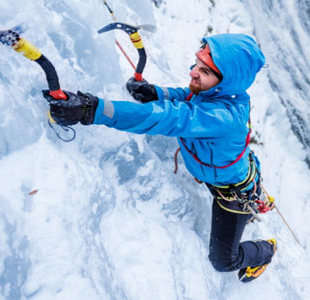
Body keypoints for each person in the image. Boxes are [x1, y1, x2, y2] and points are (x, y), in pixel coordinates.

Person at [43, 33, 276, 282]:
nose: (194, 73)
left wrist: (94, 109)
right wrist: (156, 92)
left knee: (223, 261)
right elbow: (186, 96)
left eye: (204, 71)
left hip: (231, 192)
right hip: (231, 172)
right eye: (197, 64)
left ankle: (266, 251)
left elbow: (166, 117)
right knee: (238, 177)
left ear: (224, 82)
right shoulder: (222, 92)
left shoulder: (221, 117)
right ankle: (258, 197)